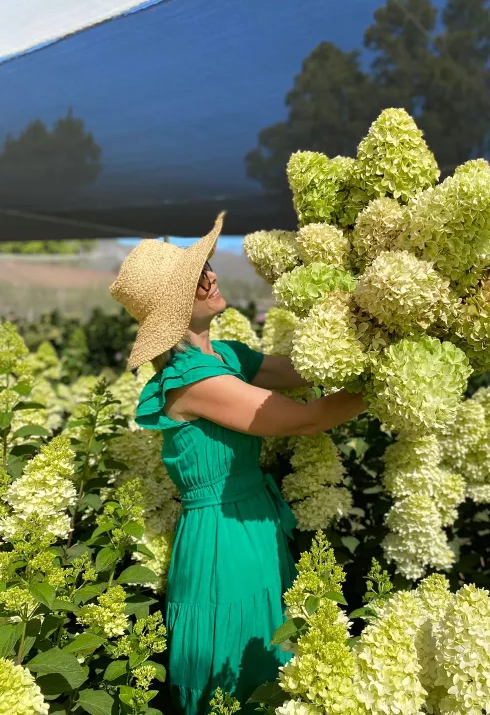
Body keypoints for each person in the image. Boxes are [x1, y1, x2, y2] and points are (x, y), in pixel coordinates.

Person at [109, 212, 365, 715]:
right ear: (175, 308)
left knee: (277, 655)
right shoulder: (194, 381)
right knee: (239, 671)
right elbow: (306, 419)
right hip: (222, 540)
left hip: (255, 523)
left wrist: (367, 329)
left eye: (205, 267)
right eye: (197, 277)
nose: (212, 276)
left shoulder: (225, 356)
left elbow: (299, 370)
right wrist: (388, 383)